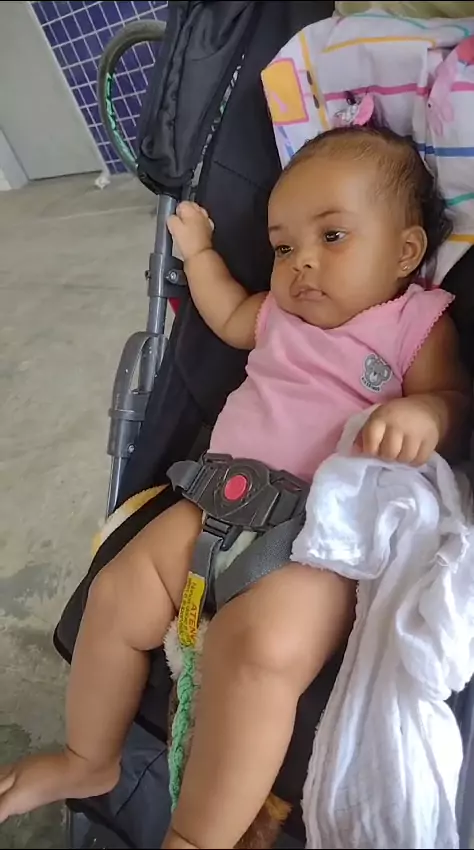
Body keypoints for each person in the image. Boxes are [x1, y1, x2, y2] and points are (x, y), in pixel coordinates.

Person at [0, 125, 470, 849]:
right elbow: (223, 313)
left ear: (406, 252)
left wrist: (426, 413)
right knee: (117, 592)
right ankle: (87, 758)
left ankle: (197, 838)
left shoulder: (413, 322)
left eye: (333, 236)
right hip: (215, 497)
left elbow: (453, 399)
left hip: (321, 538)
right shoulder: (277, 313)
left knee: (255, 654)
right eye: (283, 248)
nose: (302, 262)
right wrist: (198, 253)